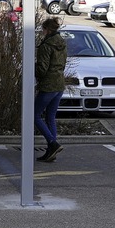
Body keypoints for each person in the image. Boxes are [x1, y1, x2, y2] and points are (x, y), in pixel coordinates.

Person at [35, 17, 67, 162]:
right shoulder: (62, 43)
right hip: (59, 83)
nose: (42, 32)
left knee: (34, 115)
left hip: (48, 85)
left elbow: (42, 69)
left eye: (43, 29)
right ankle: (51, 151)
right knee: (50, 117)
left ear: (47, 30)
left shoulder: (46, 46)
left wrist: (33, 71)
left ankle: (52, 143)